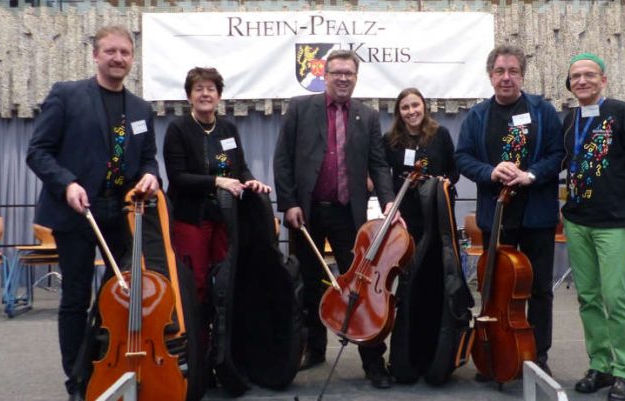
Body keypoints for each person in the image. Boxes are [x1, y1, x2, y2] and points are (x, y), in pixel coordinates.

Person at [26, 25, 160, 401]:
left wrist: (151, 175)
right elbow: (38, 151)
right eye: (111, 51)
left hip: (120, 214)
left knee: (122, 294)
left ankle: (110, 364)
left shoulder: (140, 109)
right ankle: (77, 379)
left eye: (125, 53)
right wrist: (66, 183)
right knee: (74, 299)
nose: (118, 58)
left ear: (132, 59)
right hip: (77, 214)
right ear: (96, 54)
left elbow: (148, 159)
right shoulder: (67, 96)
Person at [273, 49, 399, 389]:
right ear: (324, 76)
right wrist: (288, 203)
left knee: (360, 289)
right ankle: (313, 349)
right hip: (308, 212)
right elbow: (282, 158)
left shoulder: (367, 116)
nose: (343, 78)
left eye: (349, 73)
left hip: (350, 215)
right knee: (310, 285)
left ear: (356, 78)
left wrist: (388, 201)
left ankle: (373, 361)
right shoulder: (300, 109)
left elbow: (378, 164)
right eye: (336, 72)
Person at [454, 44, 564, 376]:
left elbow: (558, 154)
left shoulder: (543, 110)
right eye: (500, 71)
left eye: (512, 71)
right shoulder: (476, 116)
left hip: (537, 216)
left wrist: (530, 175)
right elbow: (463, 157)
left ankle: (537, 354)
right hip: (496, 215)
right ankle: (496, 348)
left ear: (522, 74)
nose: (506, 78)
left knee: (540, 290)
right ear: (490, 76)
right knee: (494, 289)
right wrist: (490, 172)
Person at [562, 53, 625, 401]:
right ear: (570, 85)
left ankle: (624, 371)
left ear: (603, 79)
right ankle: (600, 365)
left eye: (589, 75)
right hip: (576, 221)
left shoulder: (622, 112)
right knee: (587, 298)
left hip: (614, 222)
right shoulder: (568, 119)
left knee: (616, 299)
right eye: (575, 77)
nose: (582, 81)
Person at [163, 66, 270, 310]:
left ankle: (222, 341)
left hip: (225, 217)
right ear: (189, 96)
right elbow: (178, 177)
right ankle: (197, 341)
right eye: (198, 89)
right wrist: (216, 181)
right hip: (191, 219)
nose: (205, 94)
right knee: (196, 281)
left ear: (219, 95)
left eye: (211, 89)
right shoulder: (178, 129)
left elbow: (240, 168)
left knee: (226, 280)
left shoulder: (228, 128)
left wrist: (251, 180)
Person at [383, 87, 459, 239]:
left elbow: (454, 169)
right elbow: (383, 174)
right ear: (399, 112)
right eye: (405, 107)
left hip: (436, 207)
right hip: (406, 209)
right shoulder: (390, 139)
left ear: (424, 106)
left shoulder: (441, 133)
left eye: (415, 105)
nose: (411, 111)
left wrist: (447, 181)